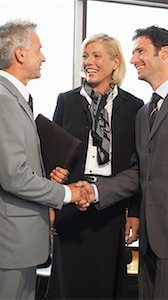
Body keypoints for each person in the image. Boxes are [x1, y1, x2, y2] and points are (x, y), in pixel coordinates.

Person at [79, 25, 168, 299]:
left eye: (140, 51)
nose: (133, 59)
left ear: (165, 53)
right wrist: (96, 190)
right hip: (149, 243)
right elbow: (139, 173)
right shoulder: (144, 112)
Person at [0, 19, 89, 300]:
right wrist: (67, 193)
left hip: (17, 242)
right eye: (38, 49)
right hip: (7, 242)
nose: (43, 56)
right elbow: (14, 176)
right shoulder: (1, 101)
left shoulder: (10, 98)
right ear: (20, 54)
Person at [47, 33, 144, 299]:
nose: (88, 62)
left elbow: (138, 166)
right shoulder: (66, 100)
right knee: (69, 283)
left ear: (115, 62)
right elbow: (54, 155)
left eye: (96, 56)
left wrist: (134, 212)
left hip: (111, 207)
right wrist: (53, 203)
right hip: (71, 204)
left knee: (105, 283)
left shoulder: (134, 107)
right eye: (85, 56)